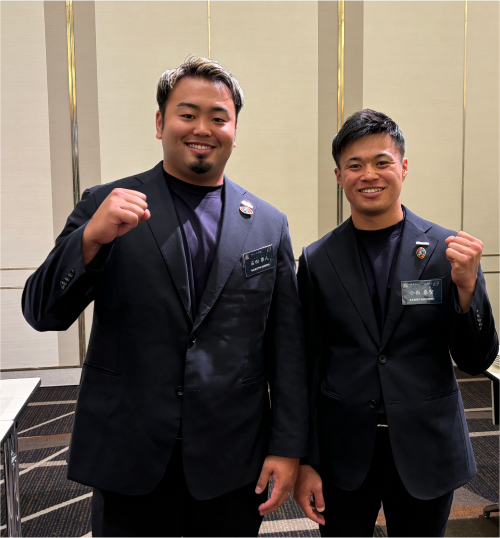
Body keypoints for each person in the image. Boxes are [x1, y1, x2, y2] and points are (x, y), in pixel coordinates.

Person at [22, 56, 308, 537]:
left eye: (218, 117)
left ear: (235, 130)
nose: (202, 129)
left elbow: (288, 349)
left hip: (232, 457)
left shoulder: (267, 223)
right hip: (129, 452)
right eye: (187, 114)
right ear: (160, 123)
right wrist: (89, 240)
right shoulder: (106, 205)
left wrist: (287, 446)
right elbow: (41, 311)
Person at [294, 109, 498, 537]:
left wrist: (467, 289)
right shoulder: (318, 260)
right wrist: (306, 460)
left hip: (427, 447)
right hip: (343, 451)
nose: (369, 175)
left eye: (382, 162)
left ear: (403, 167)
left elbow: (475, 360)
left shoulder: (447, 250)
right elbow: (307, 366)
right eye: (355, 165)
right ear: (339, 176)